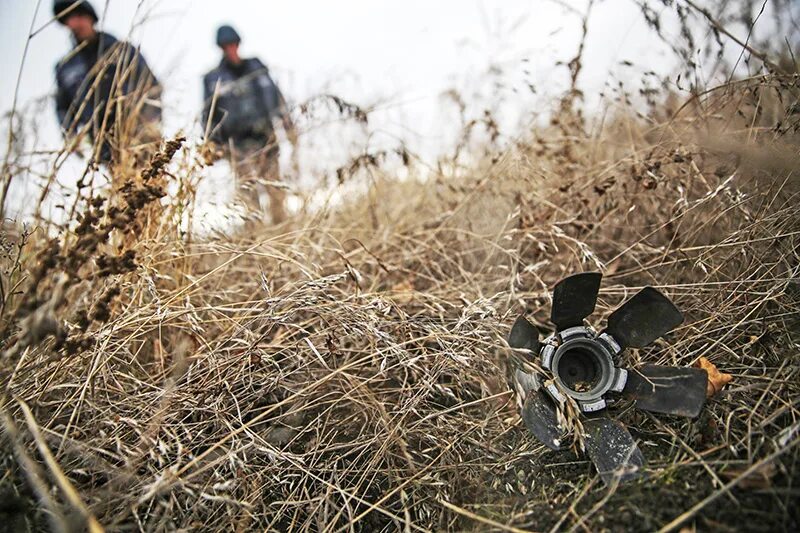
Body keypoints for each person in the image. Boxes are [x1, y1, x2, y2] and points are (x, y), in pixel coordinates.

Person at [202, 25, 297, 224]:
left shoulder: (257, 69)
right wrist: (211, 145)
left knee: (275, 189)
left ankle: (283, 233)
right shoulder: (214, 79)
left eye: (233, 44)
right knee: (248, 194)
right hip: (237, 146)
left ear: (238, 44)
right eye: (226, 46)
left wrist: (289, 128)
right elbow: (208, 115)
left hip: (266, 139)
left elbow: (277, 99)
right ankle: (254, 242)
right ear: (221, 48)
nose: (231, 49)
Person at [53, 0, 161, 165]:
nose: (74, 23)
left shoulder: (122, 50)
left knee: (150, 182)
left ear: (91, 17)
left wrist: (149, 125)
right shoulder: (65, 68)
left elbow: (151, 86)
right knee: (121, 187)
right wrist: (71, 137)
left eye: (79, 16)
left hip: (139, 136)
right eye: (68, 18)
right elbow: (64, 109)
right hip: (102, 143)